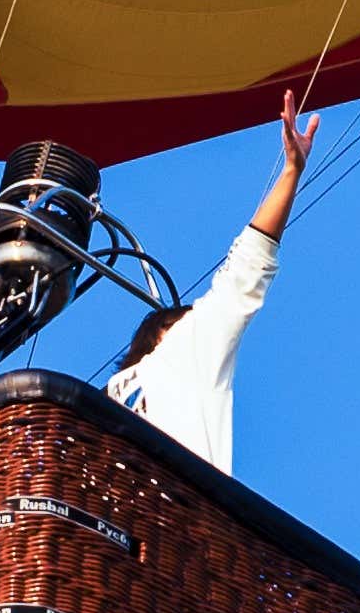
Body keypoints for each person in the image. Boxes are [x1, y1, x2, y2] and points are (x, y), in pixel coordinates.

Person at [107, 99, 309, 474]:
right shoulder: (188, 345)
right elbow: (245, 270)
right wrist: (292, 173)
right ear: (164, 333)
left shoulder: (103, 403)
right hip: (178, 519)